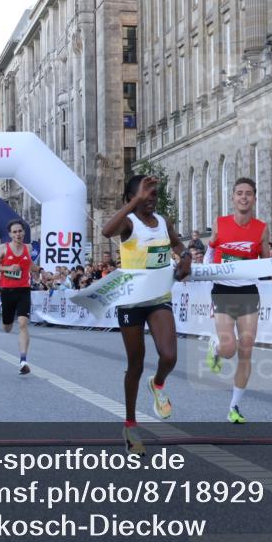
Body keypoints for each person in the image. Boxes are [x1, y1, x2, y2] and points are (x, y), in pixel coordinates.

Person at [101, 175, 190, 454]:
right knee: (136, 364)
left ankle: (158, 383)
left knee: (169, 355)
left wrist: (185, 257)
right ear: (131, 198)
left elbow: (178, 244)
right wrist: (134, 203)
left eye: (154, 194)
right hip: (131, 302)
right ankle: (130, 425)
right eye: (145, 194)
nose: (152, 198)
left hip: (158, 298)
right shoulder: (129, 223)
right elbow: (106, 231)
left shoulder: (163, 222)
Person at [204, 177, 271, 424]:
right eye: (239, 193)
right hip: (223, 289)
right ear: (232, 198)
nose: (244, 197)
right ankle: (217, 347)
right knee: (229, 348)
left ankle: (234, 406)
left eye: (248, 194)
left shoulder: (262, 228)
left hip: (248, 292)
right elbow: (210, 251)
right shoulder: (220, 223)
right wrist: (205, 272)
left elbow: (267, 262)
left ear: (254, 198)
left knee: (245, 350)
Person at [0, 219, 41, 375]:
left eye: (20, 231)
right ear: (10, 234)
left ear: (24, 232)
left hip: (24, 289)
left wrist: (39, 269)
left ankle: (23, 360)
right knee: (7, 327)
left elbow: (29, 265)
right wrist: (7, 268)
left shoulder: (28, 247)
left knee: (23, 323)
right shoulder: (3, 248)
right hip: (7, 291)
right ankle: (6, 321)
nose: (18, 234)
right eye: (15, 232)